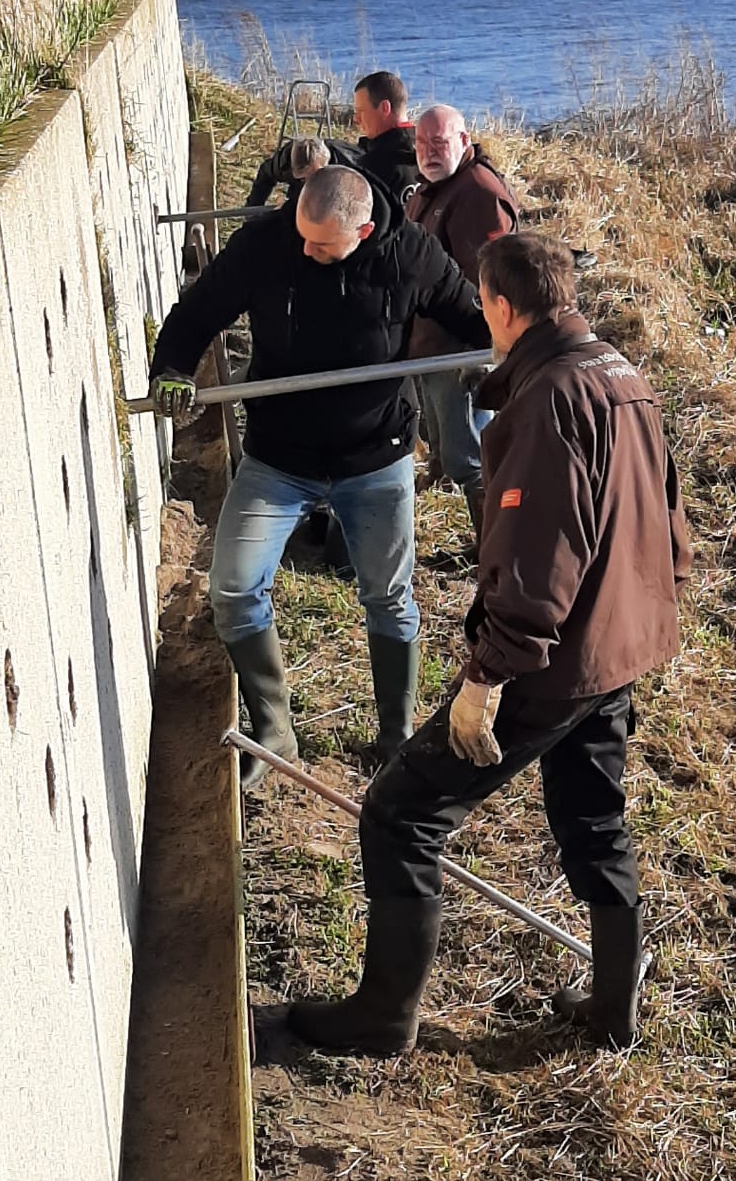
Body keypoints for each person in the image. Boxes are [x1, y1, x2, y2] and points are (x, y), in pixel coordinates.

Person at [285, 232, 690, 1058]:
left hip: (555, 656)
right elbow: (670, 522)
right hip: (619, 644)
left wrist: (488, 674)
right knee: (594, 816)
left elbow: (538, 554)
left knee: (401, 814)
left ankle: (382, 1017)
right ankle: (613, 1007)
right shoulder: (621, 374)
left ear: (502, 307)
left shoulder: (544, 402)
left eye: (484, 304)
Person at [147, 165, 489, 770]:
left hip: (376, 457)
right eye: (301, 234)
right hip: (279, 456)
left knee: (388, 595)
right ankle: (275, 730)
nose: (304, 249)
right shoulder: (266, 245)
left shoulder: (409, 254)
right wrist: (171, 367)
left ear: (361, 231)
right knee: (233, 587)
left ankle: (394, 735)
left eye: (320, 244)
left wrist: (490, 361)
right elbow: (196, 314)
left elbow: (473, 315)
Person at [406, 105, 519, 531]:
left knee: (468, 456)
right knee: (443, 440)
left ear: (464, 141)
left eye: (439, 142)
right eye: (421, 143)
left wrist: (479, 356)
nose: (428, 152)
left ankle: (496, 546)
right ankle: (443, 477)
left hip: (459, 350)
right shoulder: (432, 188)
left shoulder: (477, 194)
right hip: (430, 344)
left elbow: (489, 283)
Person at [246, 69, 422, 213]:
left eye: (361, 112)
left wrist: (284, 213)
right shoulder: (430, 154)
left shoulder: (369, 168)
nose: (356, 120)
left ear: (384, 108)